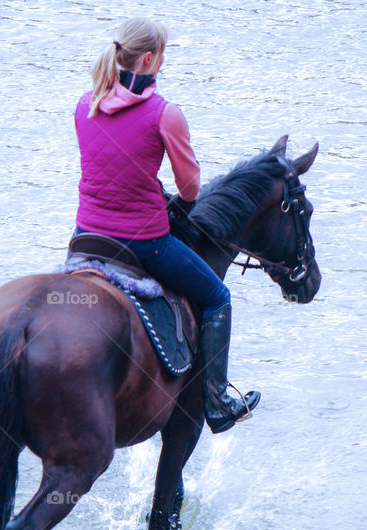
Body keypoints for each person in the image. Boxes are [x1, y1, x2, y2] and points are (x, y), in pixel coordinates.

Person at [72, 17, 259, 433]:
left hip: (86, 240)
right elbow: (190, 189)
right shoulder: (164, 113)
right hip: (144, 244)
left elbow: (110, 168)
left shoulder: (85, 105)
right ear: (152, 58)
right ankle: (217, 403)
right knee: (217, 297)